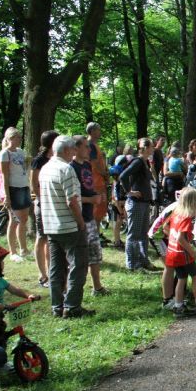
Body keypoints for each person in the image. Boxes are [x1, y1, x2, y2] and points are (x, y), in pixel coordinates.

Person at [39, 136, 95, 318]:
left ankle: (57, 306)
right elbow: (72, 201)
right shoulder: (66, 169)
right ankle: (72, 307)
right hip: (69, 226)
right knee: (78, 266)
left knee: (56, 268)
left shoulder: (45, 169)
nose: (74, 153)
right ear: (65, 150)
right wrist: (80, 222)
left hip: (51, 225)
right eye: (72, 149)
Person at [0, 244, 42, 371]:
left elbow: (14, 290)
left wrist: (28, 295)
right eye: (1, 262)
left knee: (0, 337)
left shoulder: (0, 280)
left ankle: (1, 363)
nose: (3, 264)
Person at [164, 187, 196, 317]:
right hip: (183, 254)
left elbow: (166, 227)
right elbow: (181, 238)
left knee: (181, 279)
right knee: (195, 277)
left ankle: (178, 306)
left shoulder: (175, 214)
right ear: (192, 202)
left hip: (172, 252)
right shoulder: (186, 218)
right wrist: (192, 252)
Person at [71, 136, 109, 296]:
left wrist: (97, 194)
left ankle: (97, 287)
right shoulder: (71, 168)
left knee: (95, 253)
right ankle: (73, 291)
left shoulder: (87, 165)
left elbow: (89, 187)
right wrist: (91, 199)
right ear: (76, 148)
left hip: (89, 216)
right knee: (78, 257)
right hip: (78, 218)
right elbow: (71, 197)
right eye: (86, 146)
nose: (89, 149)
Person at [119, 137, 160, 272]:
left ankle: (143, 261)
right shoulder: (137, 162)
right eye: (152, 146)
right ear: (145, 148)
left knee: (143, 234)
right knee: (134, 235)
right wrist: (129, 192)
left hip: (144, 203)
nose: (153, 148)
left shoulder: (145, 162)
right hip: (136, 204)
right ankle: (132, 264)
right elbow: (123, 175)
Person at [30, 130, 59, 287]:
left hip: (54, 203)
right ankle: (42, 275)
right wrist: (43, 199)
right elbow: (34, 184)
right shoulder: (38, 160)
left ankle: (50, 271)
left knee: (50, 238)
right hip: (43, 204)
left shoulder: (55, 159)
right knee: (41, 237)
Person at [0, 127, 31, 262]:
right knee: (14, 220)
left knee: (24, 219)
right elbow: (5, 176)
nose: (20, 139)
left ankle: (24, 249)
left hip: (24, 186)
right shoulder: (4, 153)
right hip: (13, 188)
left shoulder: (20, 151)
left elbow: (24, 169)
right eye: (17, 137)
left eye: (20, 137)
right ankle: (13, 252)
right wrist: (7, 196)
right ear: (10, 138)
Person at [86, 122, 109, 226]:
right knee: (96, 211)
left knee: (100, 211)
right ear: (92, 131)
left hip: (99, 181)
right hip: (96, 182)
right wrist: (105, 174)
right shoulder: (90, 145)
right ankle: (93, 234)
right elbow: (94, 164)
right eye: (98, 130)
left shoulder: (94, 145)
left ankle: (96, 234)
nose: (100, 132)